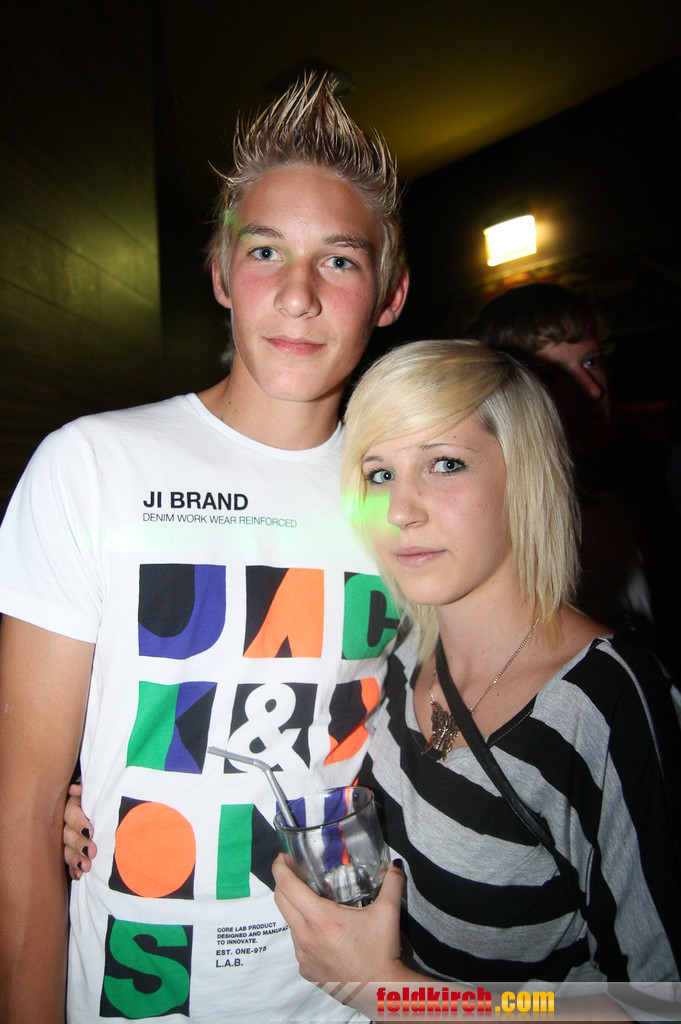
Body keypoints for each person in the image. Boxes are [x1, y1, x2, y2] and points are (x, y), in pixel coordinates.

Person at [0, 73, 409, 1024]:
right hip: (134, 993)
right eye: (265, 251)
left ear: (389, 295)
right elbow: (22, 813)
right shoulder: (92, 465)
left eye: (339, 260)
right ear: (223, 275)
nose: (298, 295)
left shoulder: (411, 499)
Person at [271, 340, 681, 1020]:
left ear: (523, 474)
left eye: (444, 464)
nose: (400, 509)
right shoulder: (403, 652)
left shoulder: (606, 704)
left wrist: (394, 995)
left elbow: (656, 1004)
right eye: (380, 473)